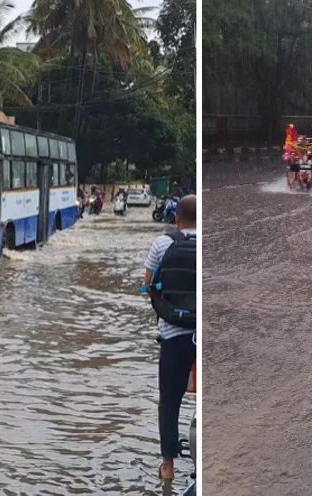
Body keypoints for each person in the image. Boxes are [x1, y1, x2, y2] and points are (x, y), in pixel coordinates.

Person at [143, 195, 196, 482]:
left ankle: (168, 466)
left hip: (173, 334)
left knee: (170, 401)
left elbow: (148, 284)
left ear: (177, 218)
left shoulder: (163, 243)